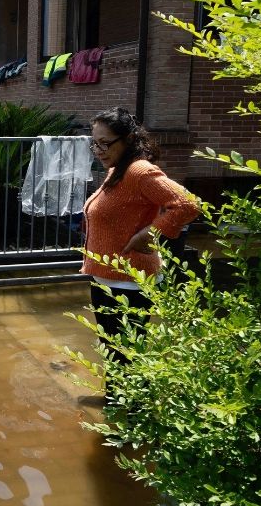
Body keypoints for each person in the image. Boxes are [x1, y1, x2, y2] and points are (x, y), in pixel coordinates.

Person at [81, 107, 200, 363]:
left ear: (129, 140)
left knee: (125, 354)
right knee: (113, 350)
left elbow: (187, 203)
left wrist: (151, 233)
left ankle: (124, 403)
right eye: (95, 144)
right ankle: (116, 399)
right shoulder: (117, 171)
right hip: (108, 276)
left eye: (105, 143)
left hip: (130, 280)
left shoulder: (139, 172)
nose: (99, 150)